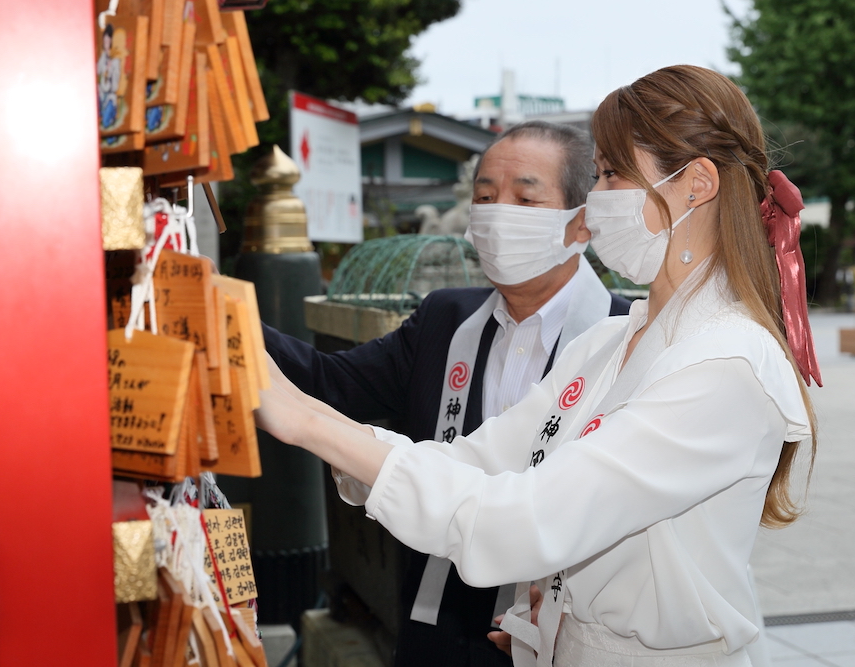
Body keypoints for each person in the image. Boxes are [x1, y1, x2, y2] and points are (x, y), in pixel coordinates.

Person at [257, 65, 821, 667]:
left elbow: (524, 520)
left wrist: (306, 423)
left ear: (697, 183)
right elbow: (480, 461)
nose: (598, 199)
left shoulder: (727, 362)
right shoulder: (609, 341)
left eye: (612, 173)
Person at [262, 120, 630, 667]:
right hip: (437, 625)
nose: (497, 213)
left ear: (581, 222)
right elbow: (327, 384)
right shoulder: (444, 320)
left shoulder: (623, 337)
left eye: (524, 199)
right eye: (485, 196)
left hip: (559, 632)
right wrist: (226, 319)